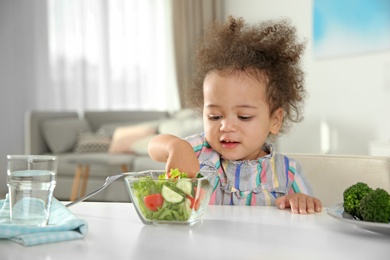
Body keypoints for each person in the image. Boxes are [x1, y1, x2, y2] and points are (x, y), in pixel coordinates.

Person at [148, 16, 322, 214]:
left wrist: (301, 201)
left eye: (244, 117)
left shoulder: (288, 172)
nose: (226, 126)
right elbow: (153, 147)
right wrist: (175, 146)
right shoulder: (200, 151)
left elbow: (312, 216)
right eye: (214, 116)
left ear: (275, 120)